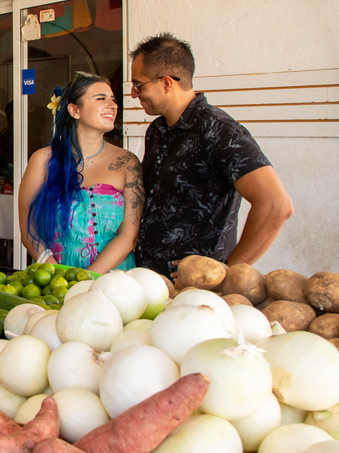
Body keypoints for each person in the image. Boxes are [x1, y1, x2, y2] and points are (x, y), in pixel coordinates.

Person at [129, 33, 293, 278]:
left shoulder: (219, 129)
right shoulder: (158, 130)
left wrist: (225, 271)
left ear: (166, 83)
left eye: (139, 85)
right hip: (149, 277)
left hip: (197, 287)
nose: (134, 93)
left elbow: (276, 205)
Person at [19, 72, 144, 274]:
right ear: (74, 110)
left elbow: (129, 236)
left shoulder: (127, 163)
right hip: (54, 276)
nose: (113, 105)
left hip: (113, 280)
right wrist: (58, 276)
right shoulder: (42, 161)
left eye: (113, 99)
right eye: (101, 99)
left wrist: (87, 279)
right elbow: (28, 230)